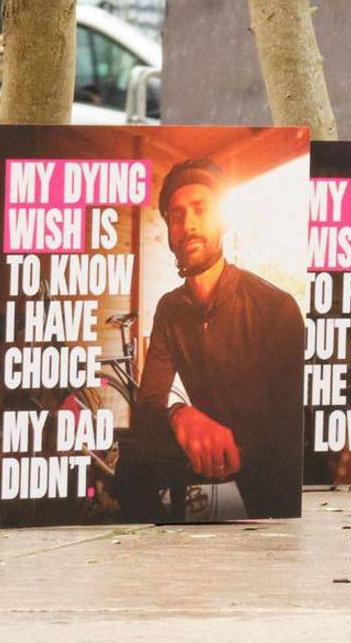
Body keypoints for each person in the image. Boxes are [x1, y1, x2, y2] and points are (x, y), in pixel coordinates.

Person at [121, 161, 307, 520]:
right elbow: (148, 404)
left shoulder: (277, 308)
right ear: (170, 233)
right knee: (131, 463)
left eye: (200, 210)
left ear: (222, 221)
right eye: (176, 216)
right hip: (208, 481)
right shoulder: (169, 309)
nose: (188, 224)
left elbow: (291, 435)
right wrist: (180, 415)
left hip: (273, 491)